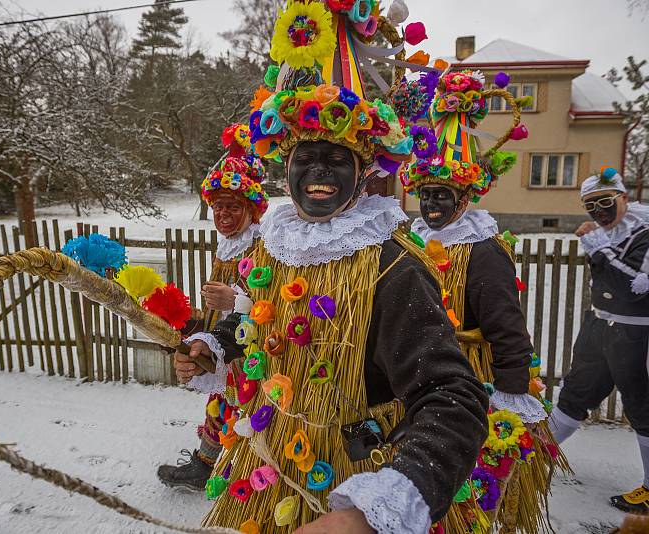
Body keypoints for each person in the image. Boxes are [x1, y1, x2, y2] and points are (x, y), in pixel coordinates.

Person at [171, 2, 489, 531]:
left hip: (357, 473)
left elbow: (452, 397)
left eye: (338, 159)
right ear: (286, 165)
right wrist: (216, 347)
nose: (320, 171)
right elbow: (258, 313)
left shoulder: (393, 265)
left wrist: (371, 512)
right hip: (271, 462)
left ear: (364, 175)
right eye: (306, 158)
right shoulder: (273, 246)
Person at [403, 69, 569, 532]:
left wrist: (513, 388)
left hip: (472, 376)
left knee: (467, 482)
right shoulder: (413, 241)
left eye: (443, 195)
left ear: (463, 199)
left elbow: (505, 323)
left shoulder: (481, 249)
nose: (432, 203)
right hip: (420, 368)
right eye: (426, 194)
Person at [157, 124, 269, 490]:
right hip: (225, 342)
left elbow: (271, 303)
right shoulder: (229, 246)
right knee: (220, 403)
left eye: (233, 206)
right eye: (218, 206)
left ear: (252, 210)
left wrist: (236, 301)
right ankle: (208, 464)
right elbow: (219, 313)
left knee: (245, 410)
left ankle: (242, 472)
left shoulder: (263, 247)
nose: (223, 214)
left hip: (256, 349)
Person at [549, 167, 649, 515]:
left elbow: (633, 289)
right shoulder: (607, 233)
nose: (599, 212)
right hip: (598, 325)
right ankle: (534, 456)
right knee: (575, 393)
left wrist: (599, 248)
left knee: (643, 408)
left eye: (606, 202)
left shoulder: (644, 232)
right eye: (591, 206)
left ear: (623, 197)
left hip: (636, 333)